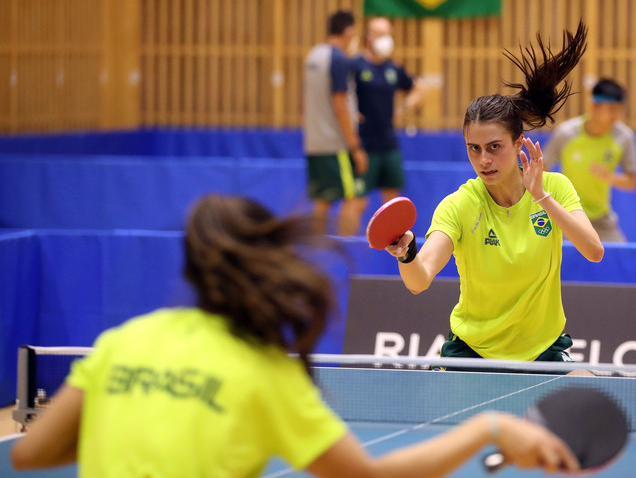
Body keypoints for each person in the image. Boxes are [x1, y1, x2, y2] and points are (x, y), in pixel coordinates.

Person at [10, 194, 580, 477]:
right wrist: (490, 426)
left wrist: (139, 424)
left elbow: (32, 453)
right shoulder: (266, 372)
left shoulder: (123, 342)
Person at [384, 23, 605, 364]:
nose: (483, 160)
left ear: (519, 143)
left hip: (542, 352)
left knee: (595, 413)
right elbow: (420, 280)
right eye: (474, 148)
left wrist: (542, 196)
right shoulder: (460, 205)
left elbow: (594, 251)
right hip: (473, 354)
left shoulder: (555, 188)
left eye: (494, 147)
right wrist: (407, 254)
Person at [542, 78, 636, 242]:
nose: (616, 116)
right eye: (611, 109)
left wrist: (609, 176)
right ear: (594, 106)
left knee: (622, 261)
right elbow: (541, 169)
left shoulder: (624, 137)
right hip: (567, 216)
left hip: (601, 220)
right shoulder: (566, 133)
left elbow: (631, 181)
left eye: (619, 110)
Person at [303, 10, 367, 236]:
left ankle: (315, 254)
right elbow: (339, 104)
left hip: (314, 143)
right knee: (355, 198)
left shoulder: (313, 56)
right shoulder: (338, 58)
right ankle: (343, 253)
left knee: (322, 202)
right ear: (348, 31)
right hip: (336, 145)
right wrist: (355, 146)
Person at [351, 17, 426, 204]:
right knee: (357, 201)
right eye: (382, 34)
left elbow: (419, 87)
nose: (386, 38)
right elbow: (338, 95)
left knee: (392, 201)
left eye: (389, 34)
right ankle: (345, 236)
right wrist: (351, 112)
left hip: (389, 143)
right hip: (363, 144)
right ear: (369, 36)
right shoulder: (355, 65)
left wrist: (403, 107)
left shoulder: (393, 68)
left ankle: (394, 235)